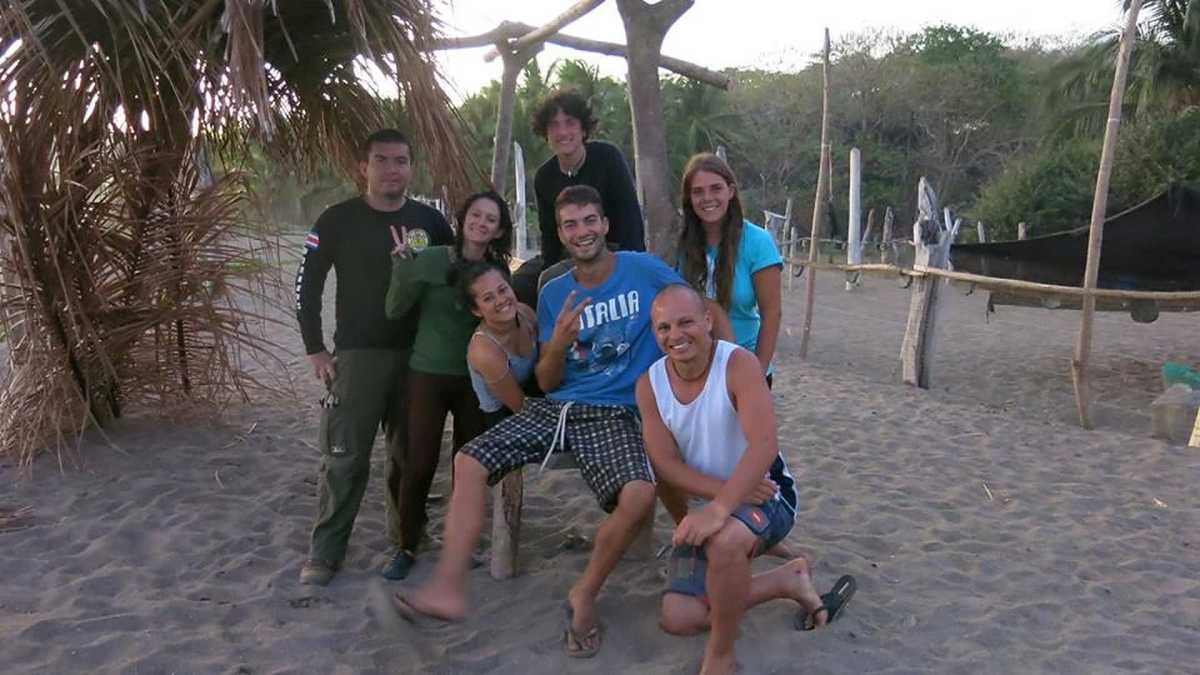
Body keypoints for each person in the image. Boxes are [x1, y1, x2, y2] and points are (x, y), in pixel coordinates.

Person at [394, 185, 730, 658]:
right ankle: (448, 588)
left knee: (638, 494)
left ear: (605, 224)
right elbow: (548, 381)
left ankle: (584, 592)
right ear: (560, 233)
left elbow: (702, 309)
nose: (582, 231)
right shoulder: (554, 292)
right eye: (570, 224)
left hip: (616, 413)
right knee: (468, 461)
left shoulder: (641, 269)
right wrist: (557, 343)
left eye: (590, 220)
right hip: (558, 408)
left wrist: (731, 366)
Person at [637, 285, 856, 675]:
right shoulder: (649, 385)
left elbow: (764, 445)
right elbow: (665, 465)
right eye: (664, 327)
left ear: (708, 321)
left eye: (686, 322)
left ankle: (721, 655)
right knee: (679, 618)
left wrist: (722, 507)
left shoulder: (738, 364)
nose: (675, 335)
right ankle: (787, 580)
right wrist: (721, 497)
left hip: (767, 493)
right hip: (717, 497)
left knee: (725, 543)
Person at [295, 129, 454, 586]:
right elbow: (307, 285)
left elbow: (456, 277)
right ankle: (326, 553)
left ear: (411, 168)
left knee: (409, 456)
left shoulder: (430, 222)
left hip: (419, 358)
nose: (391, 169)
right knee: (344, 457)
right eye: (381, 160)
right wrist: (314, 348)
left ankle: (406, 538)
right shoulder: (336, 220)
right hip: (357, 356)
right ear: (363, 168)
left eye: (401, 161)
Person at [380, 191, 513, 580]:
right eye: (476, 215)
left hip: (475, 378)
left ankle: (460, 542)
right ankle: (407, 545)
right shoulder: (432, 258)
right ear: (462, 218)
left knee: (467, 464)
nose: (481, 223)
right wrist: (402, 267)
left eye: (490, 219)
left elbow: (503, 324)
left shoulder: (496, 272)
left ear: (499, 230)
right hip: (427, 372)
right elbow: (394, 308)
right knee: (419, 460)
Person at [676, 153, 783, 385]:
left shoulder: (757, 242)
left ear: (731, 191)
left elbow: (772, 313)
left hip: (744, 363)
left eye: (716, 188)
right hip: (691, 368)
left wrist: (757, 372)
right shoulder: (678, 245)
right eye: (698, 192)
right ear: (689, 198)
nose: (707, 198)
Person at [532, 89, 644, 269]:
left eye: (570, 123)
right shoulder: (544, 177)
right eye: (554, 125)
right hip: (570, 257)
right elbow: (550, 237)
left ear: (583, 129)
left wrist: (631, 268)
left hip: (614, 254)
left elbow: (631, 221)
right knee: (522, 280)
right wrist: (550, 275)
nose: (562, 132)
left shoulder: (608, 158)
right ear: (546, 133)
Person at [459, 262, 539, 429]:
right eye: (488, 298)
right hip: (504, 416)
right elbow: (520, 408)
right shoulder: (484, 351)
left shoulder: (525, 313)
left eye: (503, 290)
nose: (501, 300)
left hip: (533, 395)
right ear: (476, 310)